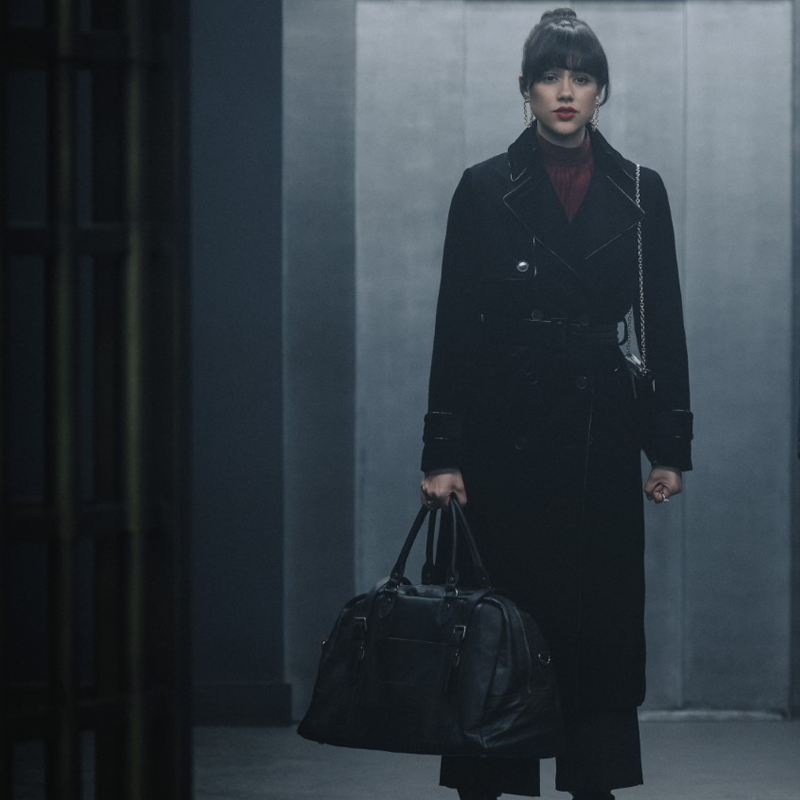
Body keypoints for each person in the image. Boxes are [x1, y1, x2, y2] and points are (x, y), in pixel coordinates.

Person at [419, 9, 693, 800]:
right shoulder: (482, 187)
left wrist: (668, 447)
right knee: (500, 621)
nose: (565, 91)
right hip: (504, 430)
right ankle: (486, 783)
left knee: (598, 623)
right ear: (525, 89)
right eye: (550, 76)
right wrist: (443, 453)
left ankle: (593, 783)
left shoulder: (639, 189)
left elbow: (663, 324)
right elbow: (455, 326)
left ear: (602, 90)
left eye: (581, 77)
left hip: (600, 431)